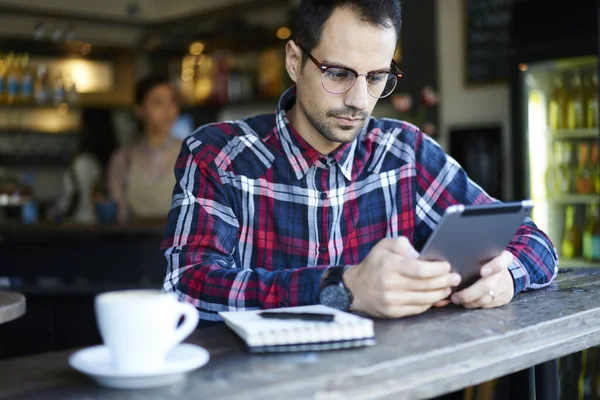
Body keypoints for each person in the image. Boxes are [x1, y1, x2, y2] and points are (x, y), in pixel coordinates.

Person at [161, 0, 558, 327]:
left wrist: (506, 275)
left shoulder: (406, 153)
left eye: (376, 77)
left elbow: (533, 240)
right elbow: (186, 286)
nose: (359, 100)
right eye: (338, 73)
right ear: (295, 61)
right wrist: (343, 287)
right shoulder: (219, 155)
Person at [108, 75, 181, 224]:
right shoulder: (123, 159)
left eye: (172, 102)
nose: (167, 110)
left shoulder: (192, 156)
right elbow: (118, 216)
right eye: (157, 102)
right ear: (139, 110)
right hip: (133, 244)